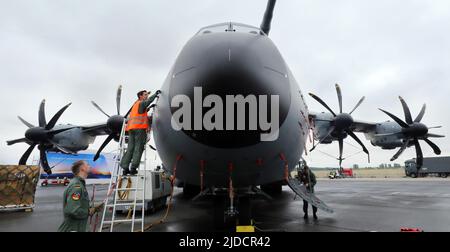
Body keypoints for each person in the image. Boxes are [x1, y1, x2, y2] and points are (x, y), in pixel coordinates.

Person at [120, 89, 160, 175]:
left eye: (147, 95)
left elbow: (140, 112)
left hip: (131, 129)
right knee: (138, 148)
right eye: (145, 95)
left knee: (130, 148)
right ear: (140, 96)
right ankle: (134, 168)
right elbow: (148, 102)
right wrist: (155, 95)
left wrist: (148, 108)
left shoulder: (136, 104)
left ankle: (125, 167)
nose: (147, 96)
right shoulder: (142, 103)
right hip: (139, 129)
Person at [58, 160, 103, 232]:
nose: (90, 166)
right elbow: (73, 210)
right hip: (73, 229)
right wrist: (89, 211)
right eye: (87, 164)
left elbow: (79, 205)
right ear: (82, 169)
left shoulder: (79, 184)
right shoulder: (77, 186)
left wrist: (92, 208)